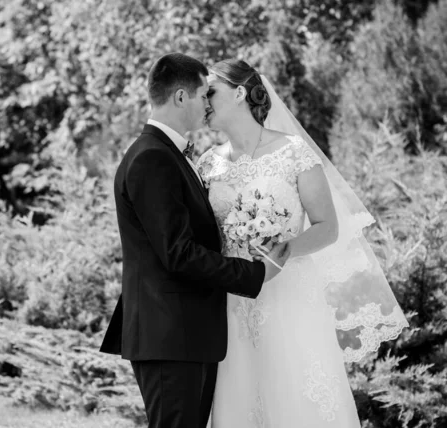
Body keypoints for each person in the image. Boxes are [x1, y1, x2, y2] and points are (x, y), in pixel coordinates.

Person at [197, 58, 408, 427]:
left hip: (289, 295)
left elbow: (328, 226)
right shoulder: (207, 164)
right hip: (231, 304)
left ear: (240, 92)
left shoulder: (292, 152)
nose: (203, 102)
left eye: (210, 92)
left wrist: (287, 249)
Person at [99, 53, 291, 428]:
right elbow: (179, 253)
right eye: (205, 94)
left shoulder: (172, 154)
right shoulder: (151, 158)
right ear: (181, 97)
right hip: (170, 334)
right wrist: (256, 274)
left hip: (186, 333)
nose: (208, 104)